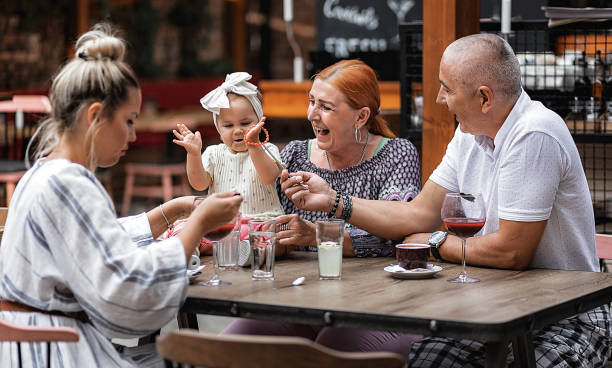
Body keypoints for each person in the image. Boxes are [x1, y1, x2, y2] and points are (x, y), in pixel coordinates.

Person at [280, 34, 610, 366]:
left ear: (484, 98)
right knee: (425, 360)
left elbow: (511, 251)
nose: (439, 98)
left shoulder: (534, 133)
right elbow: (418, 213)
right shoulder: (470, 134)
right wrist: (334, 200)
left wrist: (437, 241)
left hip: (563, 316)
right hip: (493, 308)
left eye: (447, 89)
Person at [0, 23, 242, 368]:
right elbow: (130, 293)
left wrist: (173, 211)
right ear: (96, 116)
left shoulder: (46, 173)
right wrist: (198, 224)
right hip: (59, 353)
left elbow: (94, 241)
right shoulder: (70, 183)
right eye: (129, 121)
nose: (132, 135)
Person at [222, 59, 422, 357]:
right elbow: (267, 218)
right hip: (301, 301)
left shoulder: (397, 154)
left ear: (361, 116)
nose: (312, 114)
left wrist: (315, 234)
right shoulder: (294, 155)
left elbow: (397, 236)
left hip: (377, 305)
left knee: (327, 354)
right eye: (311, 101)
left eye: (326, 107)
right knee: (230, 349)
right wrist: (275, 239)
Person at [172, 73, 285, 257]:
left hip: (259, 220)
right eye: (228, 125)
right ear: (218, 127)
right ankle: (190, 250)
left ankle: (250, 252)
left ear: (259, 121)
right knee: (184, 226)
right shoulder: (214, 153)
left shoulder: (267, 149)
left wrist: (254, 145)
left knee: (271, 234)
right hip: (221, 225)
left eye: (246, 123)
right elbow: (199, 184)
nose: (238, 130)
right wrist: (193, 154)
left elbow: (268, 177)